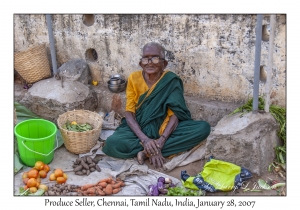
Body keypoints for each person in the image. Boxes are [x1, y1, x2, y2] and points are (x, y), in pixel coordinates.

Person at [102, 42, 211, 168]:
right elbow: (129, 112)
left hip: (164, 127)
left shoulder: (171, 80)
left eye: (155, 58)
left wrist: (161, 140)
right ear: (140, 63)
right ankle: (151, 147)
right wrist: (145, 139)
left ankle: (147, 152)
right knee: (111, 144)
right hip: (141, 126)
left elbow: (175, 114)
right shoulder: (133, 78)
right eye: (146, 58)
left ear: (164, 63)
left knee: (203, 129)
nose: (150, 62)